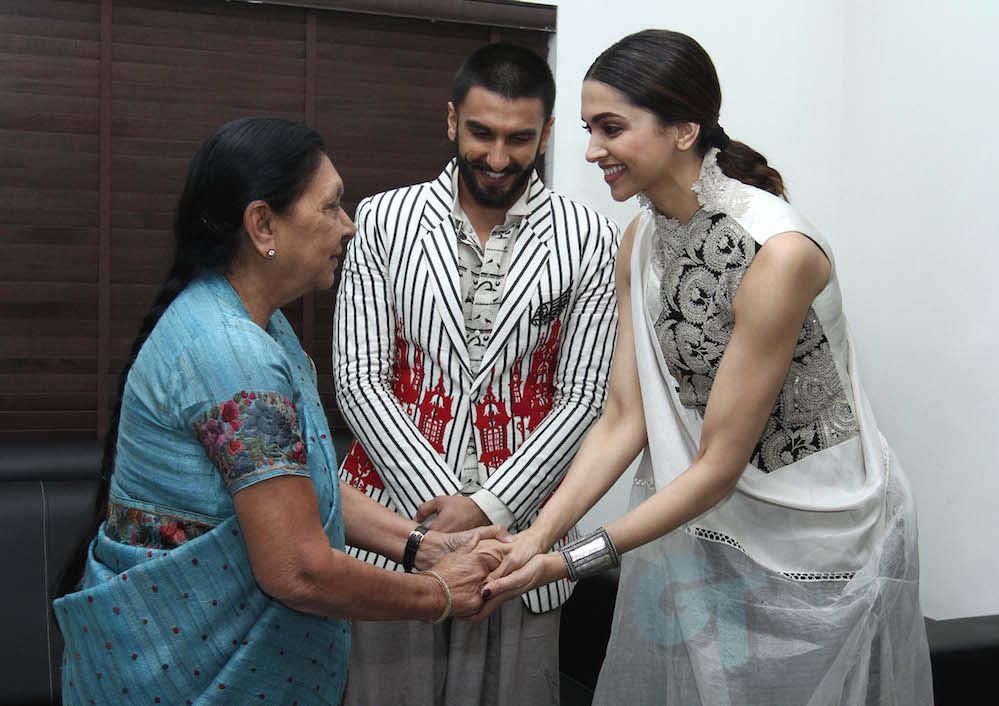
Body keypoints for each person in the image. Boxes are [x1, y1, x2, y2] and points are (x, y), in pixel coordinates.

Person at [475, 30, 933, 705]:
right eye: (588, 129)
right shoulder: (640, 238)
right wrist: (535, 536)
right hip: (713, 527)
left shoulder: (777, 252)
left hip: (824, 543)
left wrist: (570, 560)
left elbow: (718, 463)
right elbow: (623, 417)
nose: (592, 149)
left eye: (611, 128)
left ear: (684, 129)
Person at [53, 117, 507, 706]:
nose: (349, 226)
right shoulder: (231, 350)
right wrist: (438, 594)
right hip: (188, 676)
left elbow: (295, 483)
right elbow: (297, 569)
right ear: (263, 223)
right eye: (331, 206)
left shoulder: (257, 325)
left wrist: (421, 545)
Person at [333, 44, 620, 705]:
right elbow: (359, 379)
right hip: (394, 532)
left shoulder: (591, 238)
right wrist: (445, 520)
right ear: (451, 120)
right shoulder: (381, 220)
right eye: (481, 133)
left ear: (547, 133)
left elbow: (583, 398)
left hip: (520, 542)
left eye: (519, 138)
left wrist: (487, 509)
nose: (497, 156)